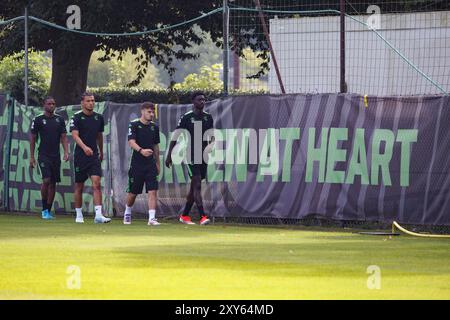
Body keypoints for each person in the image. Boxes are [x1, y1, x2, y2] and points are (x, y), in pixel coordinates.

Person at [165, 91, 214, 225]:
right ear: (193, 102)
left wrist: (211, 145)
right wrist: (169, 155)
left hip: (203, 155)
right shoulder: (187, 117)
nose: (202, 102)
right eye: (199, 100)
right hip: (191, 154)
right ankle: (203, 216)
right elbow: (175, 136)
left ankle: (185, 216)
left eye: (204, 100)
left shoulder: (208, 117)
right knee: (197, 184)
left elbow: (212, 135)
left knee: (194, 187)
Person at [69, 92, 110, 224]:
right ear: (82, 103)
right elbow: (75, 135)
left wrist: (101, 151)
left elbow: (99, 136)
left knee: (97, 183)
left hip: (94, 156)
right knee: (79, 186)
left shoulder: (99, 118)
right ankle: (79, 214)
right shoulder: (76, 117)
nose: (91, 103)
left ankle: (98, 215)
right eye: (88, 101)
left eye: (92, 101)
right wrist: (85, 147)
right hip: (80, 156)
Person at [30, 96, 69, 219]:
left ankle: (48, 210)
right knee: (46, 180)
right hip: (43, 155)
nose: (51, 106)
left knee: (53, 183)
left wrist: (66, 152)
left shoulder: (60, 120)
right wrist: (32, 157)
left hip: (55, 155)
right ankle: (43, 210)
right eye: (49, 104)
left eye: (53, 104)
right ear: (44, 105)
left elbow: (63, 137)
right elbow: (33, 138)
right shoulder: (38, 119)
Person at [123, 102, 161, 225]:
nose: (151, 114)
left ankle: (151, 218)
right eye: (149, 112)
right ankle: (127, 211)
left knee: (152, 190)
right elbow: (131, 142)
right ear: (142, 111)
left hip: (150, 164)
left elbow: (156, 146)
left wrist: (158, 163)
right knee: (133, 192)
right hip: (137, 164)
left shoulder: (154, 127)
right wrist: (141, 150)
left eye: (152, 112)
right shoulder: (134, 124)